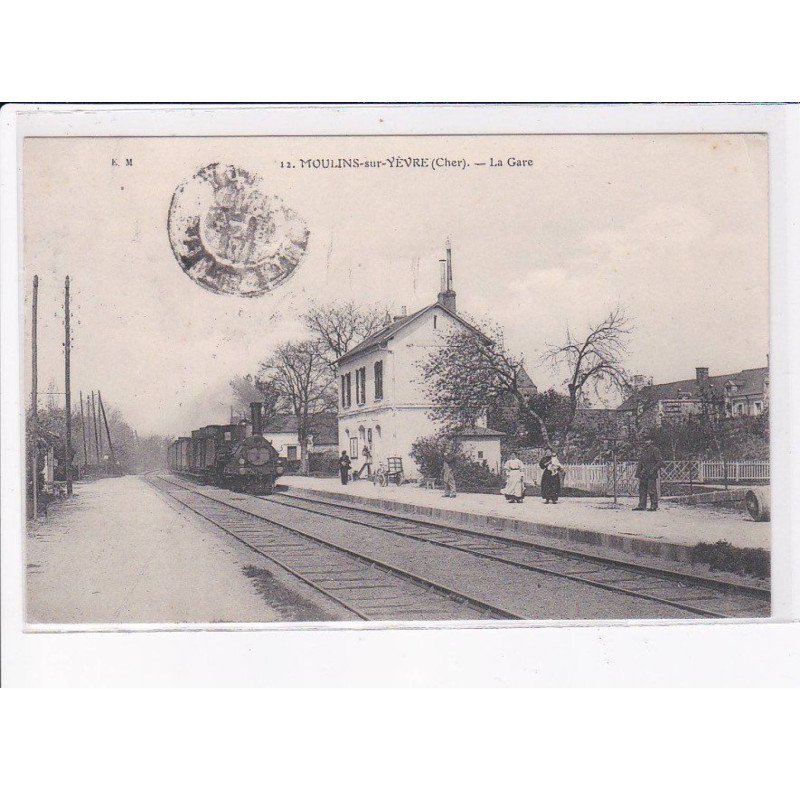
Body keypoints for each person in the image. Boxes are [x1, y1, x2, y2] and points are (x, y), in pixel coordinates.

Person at [634, 436, 663, 511]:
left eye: (648, 440)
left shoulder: (655, 450)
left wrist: (653, 470)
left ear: (651, 441)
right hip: (643, 473)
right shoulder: (643, 450)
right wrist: (638, 473)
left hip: (651, 473)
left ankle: (654, 505)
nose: (646, 442)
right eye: (645, 440)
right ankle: (641, 505)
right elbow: (640, 462)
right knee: (642, 490)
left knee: (652, 490)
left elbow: (659, 462)